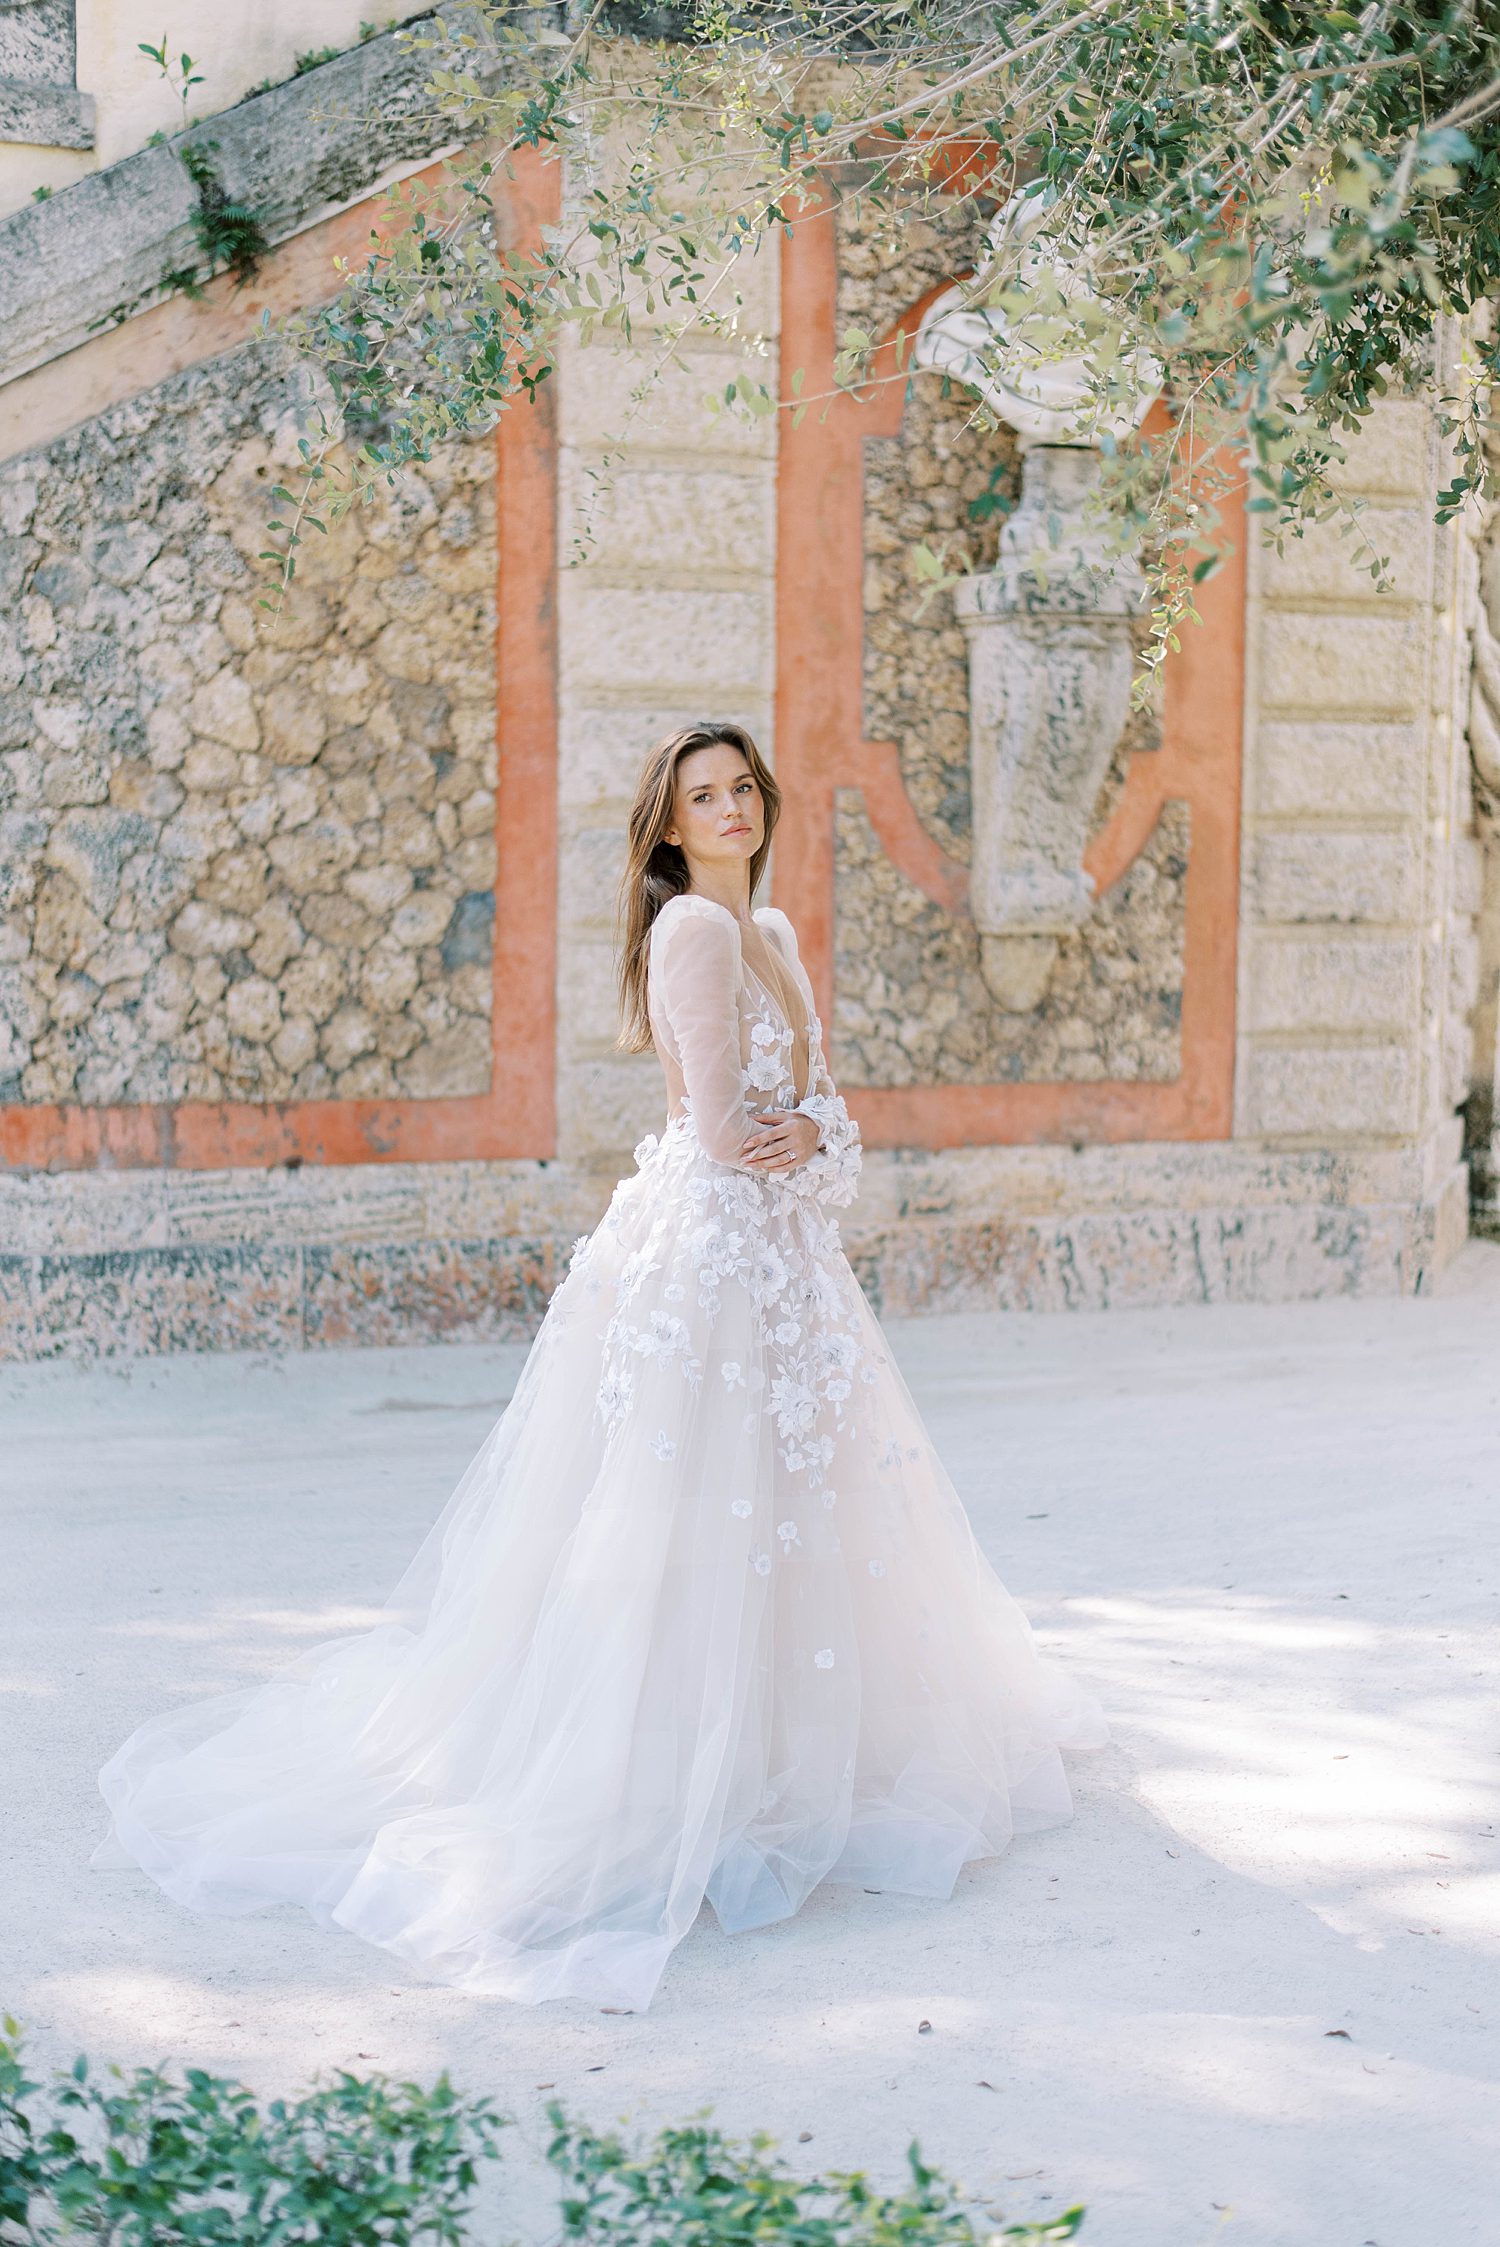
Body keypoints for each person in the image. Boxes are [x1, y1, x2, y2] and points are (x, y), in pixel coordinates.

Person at [95, 722, 1107, 2010]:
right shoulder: (691, 932)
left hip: (788, 1266)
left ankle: (790, 1754)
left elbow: (821, 1108)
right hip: (715, 1260)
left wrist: (823, 1135)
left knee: (809, 1506)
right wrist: (805, 1136)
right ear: (672, 828)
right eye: (704, 797)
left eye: (743, 789)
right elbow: (720, 1131)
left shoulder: (778, 936)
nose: (732, 809)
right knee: (688, 1512)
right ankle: (674, 1773)